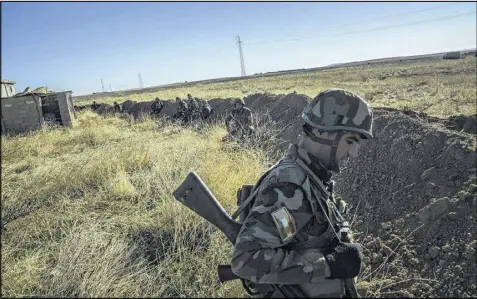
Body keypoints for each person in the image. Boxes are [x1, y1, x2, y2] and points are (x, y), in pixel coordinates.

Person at [230, 88, 374, 298]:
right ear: (322, 131)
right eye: (350, 141)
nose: (353, 153)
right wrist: (327, 266)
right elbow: (246, 259)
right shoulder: (290, 187)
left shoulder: (308, 177)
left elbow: (289, 235)